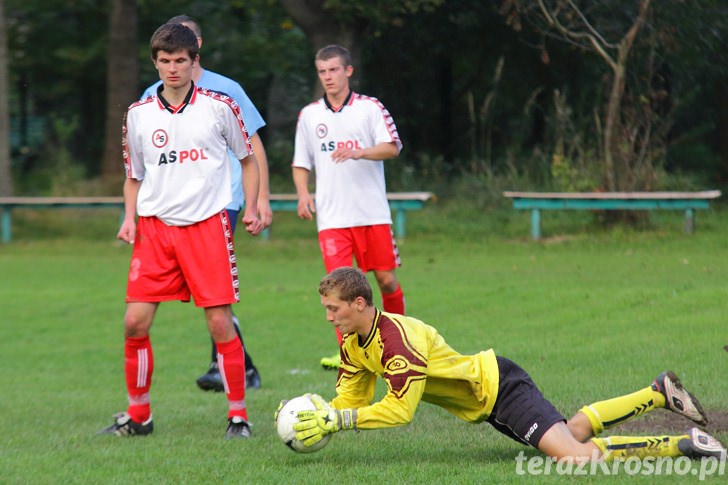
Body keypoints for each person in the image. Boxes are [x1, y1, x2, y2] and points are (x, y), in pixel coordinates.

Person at [287, 266, 726, 462]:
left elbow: (400, 411)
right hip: (491, 399)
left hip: (500, 389)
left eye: (333, 309)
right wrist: (325, 412)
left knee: (574, 458)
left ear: (359, 303)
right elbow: (352, 394)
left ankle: (682, 445)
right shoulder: (354, 342)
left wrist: (340, 421)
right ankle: (656, 393)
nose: (329, 317)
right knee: (571, 434)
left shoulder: (397, 344)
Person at [99, 23, 263, 439]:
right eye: (165, 61)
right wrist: (128, 217)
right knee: (134, 322)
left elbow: (248, 160)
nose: (172, 69)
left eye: (180, 61)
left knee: (219, 323)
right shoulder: (138, 115)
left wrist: (252, 206)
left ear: (194, 62)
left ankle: (238, 417)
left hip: (206, 227)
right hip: (154, 232)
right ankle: (139, 417)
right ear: (155, 62)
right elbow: (133, 176)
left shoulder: (219, 106)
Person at [141, 14, 269, 392]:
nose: (179, 60)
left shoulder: (225, 90)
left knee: (212, 291)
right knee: (204, 292)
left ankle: (230, 365)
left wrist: (260, 198)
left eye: (188, 49)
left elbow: (252, 145)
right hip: (169, 209)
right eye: (169, 54)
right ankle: (238, 365)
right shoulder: (152, 94)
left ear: (197, 49)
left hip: (221, 199)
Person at [292, 45, 406, 370]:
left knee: (386, 280)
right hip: (332, 219)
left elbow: (392, 147)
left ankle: (397, 345)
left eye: (333, 70)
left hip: (371, 213)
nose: (328, 77)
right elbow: (301, 162)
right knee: (339, 290)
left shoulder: (370, 109)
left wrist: (359, 152)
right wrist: (303, 193)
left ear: (348, 71)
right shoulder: (310, 115)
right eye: (322, 71)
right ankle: (352, 359)